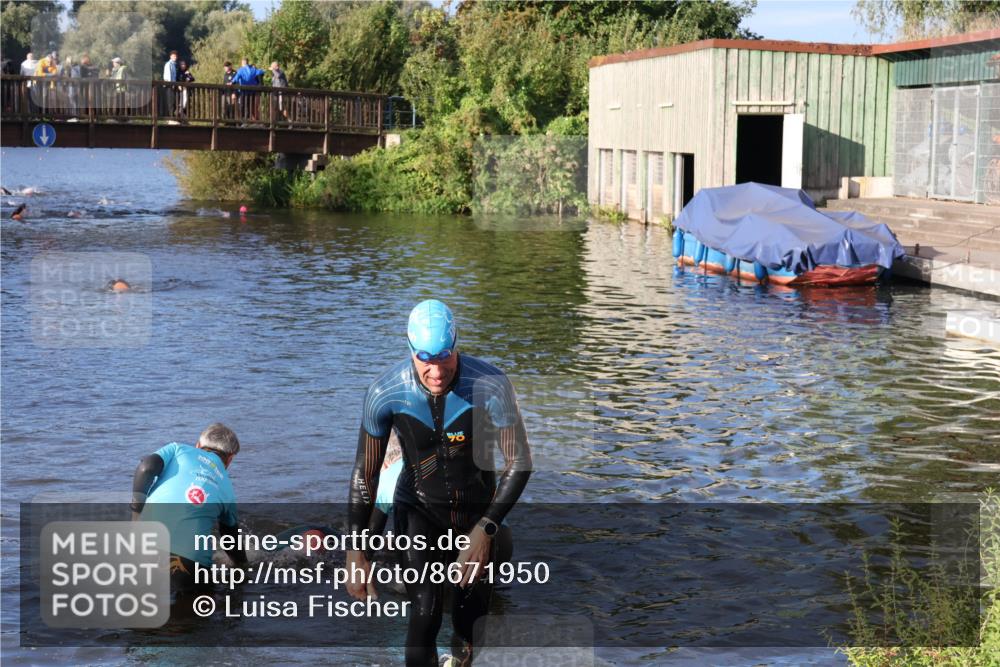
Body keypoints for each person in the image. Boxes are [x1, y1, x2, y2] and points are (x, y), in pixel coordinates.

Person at [347, 300, 532, 667]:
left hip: (475, 513)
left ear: (457, 345)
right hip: (417, 508)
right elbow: (364, 475)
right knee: (425, 609)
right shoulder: (385, 393)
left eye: (444, 358)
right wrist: (356, 550)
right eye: (425, 360)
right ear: (411, 351)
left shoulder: (490, 385)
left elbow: (520, 462)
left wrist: (487, 528)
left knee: (469, 620)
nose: (435, 372)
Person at [130, 423, 247, 595]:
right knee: (194, 615)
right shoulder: (227, 488)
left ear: (198, 444)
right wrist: (243, 566)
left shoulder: (177, 449)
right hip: (190, 565)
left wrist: (136, 513)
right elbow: (230, 538)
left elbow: (146, 467)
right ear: (230, 459)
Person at [231, 58, 265, 122]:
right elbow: (261, 72)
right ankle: (254, 121)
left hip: (244, 92)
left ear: (242, 63)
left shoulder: (241, 70)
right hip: (253, 92)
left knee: (242, 106)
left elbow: (236, 78)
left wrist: (231, 82)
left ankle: (243, 120)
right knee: (251, 106)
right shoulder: (253, 69)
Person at [162, 50, 178, 119]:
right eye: (174, 56)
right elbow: (168, 76)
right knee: (170, 100)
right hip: (169, 85)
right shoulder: (169, 64)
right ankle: (170, 116)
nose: (175, 57)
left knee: (173, 100)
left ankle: (172, 115)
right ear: (170, 56)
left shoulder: (174, 64)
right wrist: (171, 84)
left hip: (172, 85)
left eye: (176, 56)